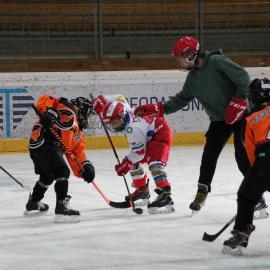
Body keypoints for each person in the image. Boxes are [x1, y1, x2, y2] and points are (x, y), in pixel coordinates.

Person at [134, 36, 268, 216]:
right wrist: (159, 108)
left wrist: (238, 102)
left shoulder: (216, 61)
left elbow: (243, 78)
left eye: (179, 58)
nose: (177, 62)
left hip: (242, 116)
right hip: (220, 120)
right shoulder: (193, 78)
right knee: (208, 157)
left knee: (243, 158)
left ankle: (257, 199)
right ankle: (202, 191)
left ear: (190, 55)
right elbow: (182, 99)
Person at [95, 99, 174, 214]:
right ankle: (142, 190)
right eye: (110, 123)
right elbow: (120, 98)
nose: (112, 126)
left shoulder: (133, 129)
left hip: (160, 134)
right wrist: (102, 103)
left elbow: (139, 152)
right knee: (133, 163)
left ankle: (165, 196)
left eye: (114, 122)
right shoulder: (125, 112)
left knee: (154, 165)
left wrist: (126, 163)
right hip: (148, 137)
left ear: (121, 116)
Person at [25, 95, 95, 223]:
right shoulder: (65, 107)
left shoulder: (78, 133)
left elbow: (77, 154)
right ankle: (61, 206)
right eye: (87, 112)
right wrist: (48, 112)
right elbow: (45, 99)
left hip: (36, 147)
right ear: (82, 109)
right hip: (46, 141)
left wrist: (85, 167)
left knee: (48, 175)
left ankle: (34, 202)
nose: (87, 116)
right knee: (62, 171)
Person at [223, 78, 270, 255]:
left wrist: (255, 178)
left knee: (246, 196)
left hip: (266, 162)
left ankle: (241, 232)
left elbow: (250, 154)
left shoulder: (250, 118)